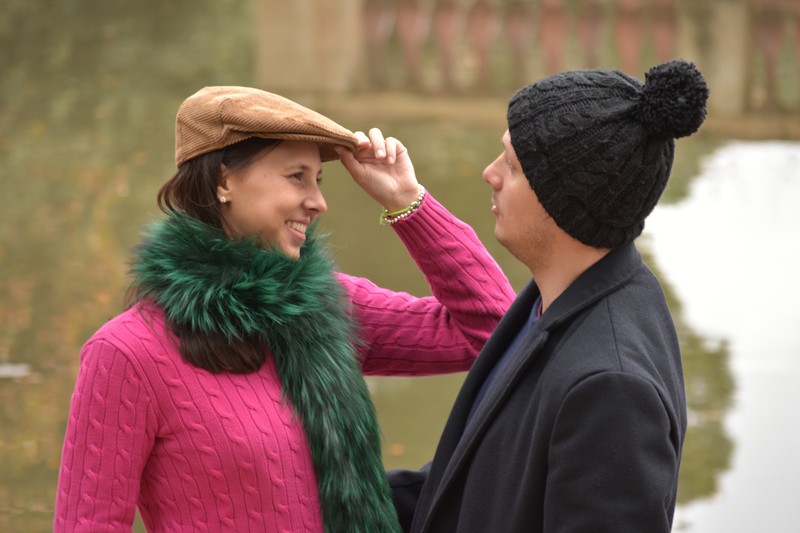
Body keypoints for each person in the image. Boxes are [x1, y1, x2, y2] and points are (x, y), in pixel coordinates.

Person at [54, 86, 516, 532]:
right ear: (223, 182)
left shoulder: (328, 305)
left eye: (318, 180)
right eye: (297, 177)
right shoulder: (127, 353)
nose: (318, 202)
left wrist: (406, 201)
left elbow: (496, 330)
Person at [389, 59, 709, 532]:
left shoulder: (612, 390)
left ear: (564, 199)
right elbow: (480, 480)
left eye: (512, 166)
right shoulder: (560, 295)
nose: (490, 173)